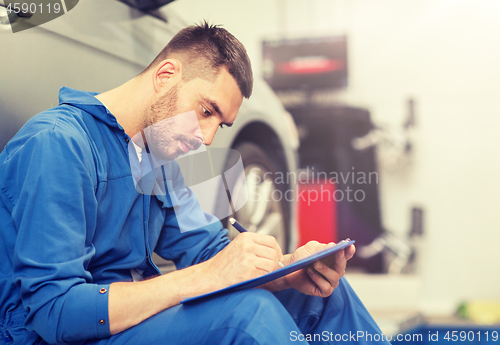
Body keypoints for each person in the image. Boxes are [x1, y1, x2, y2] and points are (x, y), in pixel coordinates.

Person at [0, 23, 389, 345]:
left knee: (325, 297)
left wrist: (287, 270)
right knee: (248, 316)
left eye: (219, 124)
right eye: (206, 111)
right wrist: (205, 277)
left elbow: (208, 251)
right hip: (61, 335)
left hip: (129, 325)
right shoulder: (57, 144)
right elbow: (55, 312)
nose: (206, 138)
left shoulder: (164, 152)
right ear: (165, 76)